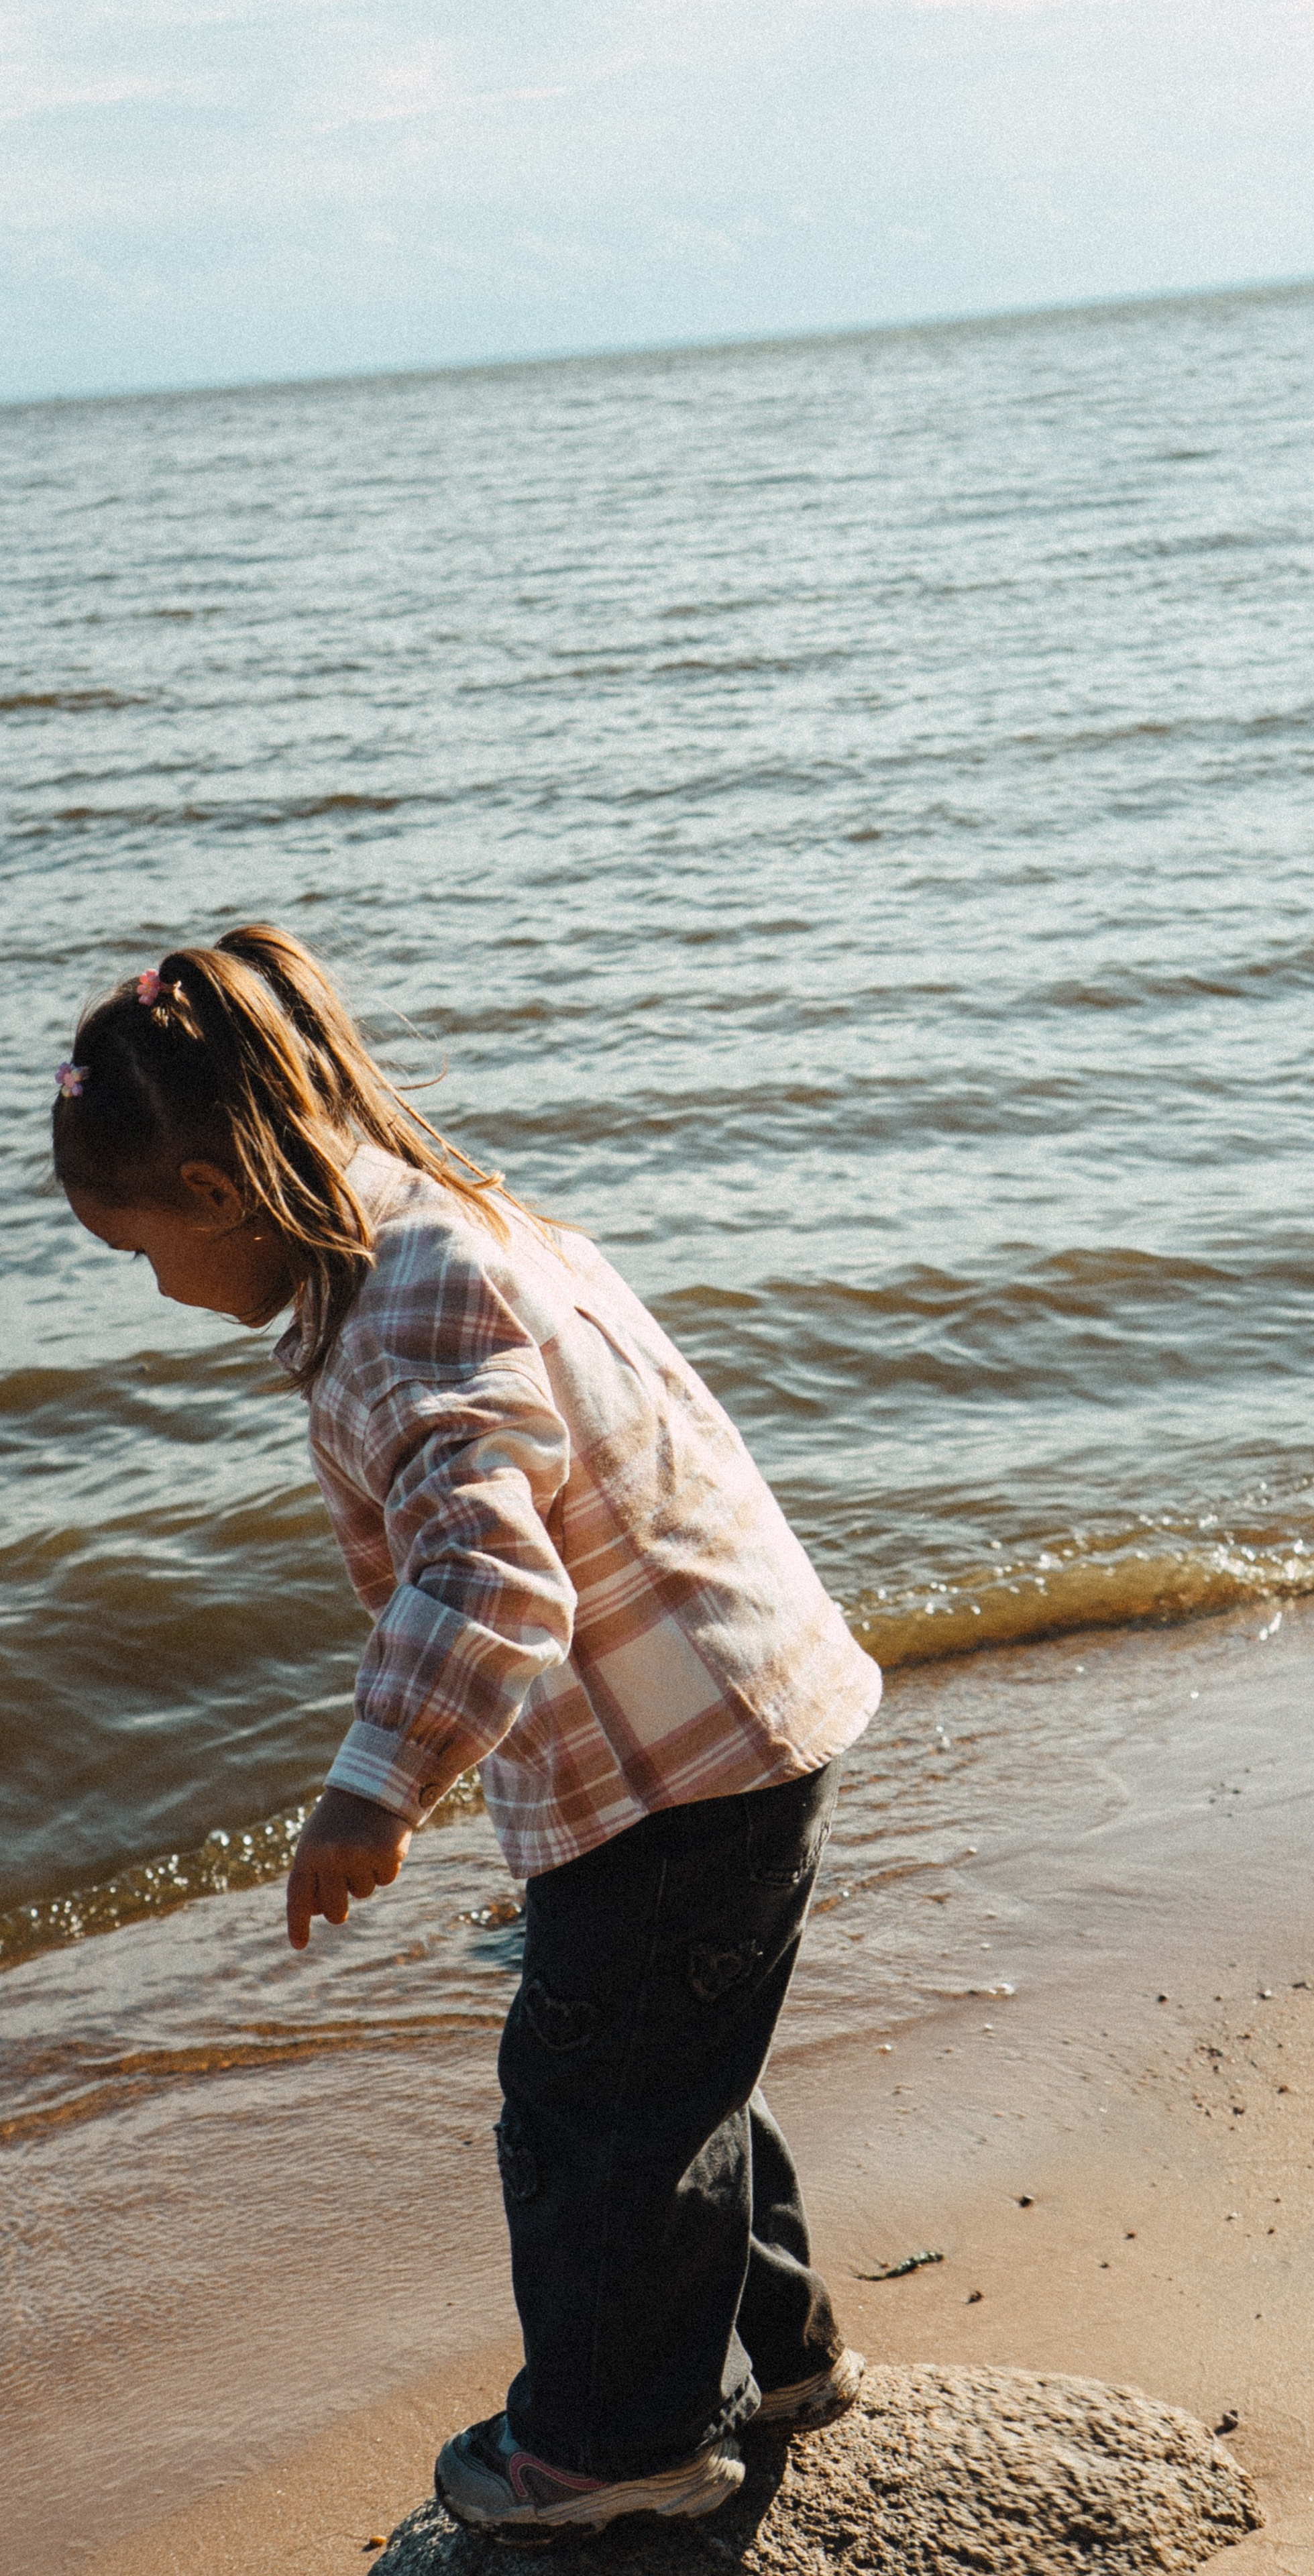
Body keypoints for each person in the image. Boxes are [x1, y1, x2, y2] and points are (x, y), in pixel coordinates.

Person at [52, 927, 880, 2542]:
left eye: (139, 1249)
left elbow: (489, 1575)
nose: (154, 1288)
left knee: (586, 2112)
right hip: (732, 1719)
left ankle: (608, 2442)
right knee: (676, 2072)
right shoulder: (448, 1224)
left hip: (673, 1772)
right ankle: (775, 2357)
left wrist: (374, 1787)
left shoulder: (408, 1313)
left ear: (218, 1191)